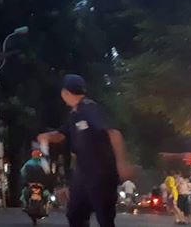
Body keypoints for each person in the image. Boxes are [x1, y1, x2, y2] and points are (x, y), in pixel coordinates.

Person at [38, 74, 134, 227]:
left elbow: (114, 133)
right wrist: (46, 137)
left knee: (104, 217)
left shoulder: (89, 108)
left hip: (102, 172)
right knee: (74, 214)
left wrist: (122, 164)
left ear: (65, 92)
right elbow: (61, 134)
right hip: (83, 173)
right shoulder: (74, 114)